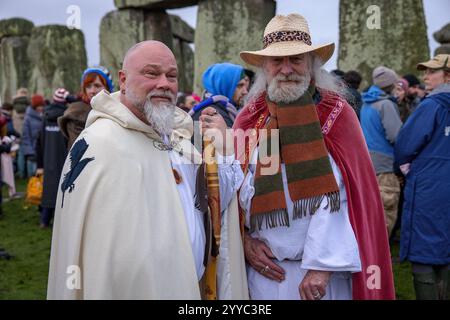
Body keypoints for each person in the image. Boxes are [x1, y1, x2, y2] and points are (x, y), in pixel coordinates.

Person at [47, 40, 248, 300]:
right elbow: (99, 252)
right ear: (123, 79)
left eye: (171, 76)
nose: (164, 83)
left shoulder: (177, 138)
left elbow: (212, 201)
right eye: (151, 73)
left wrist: (224, 151)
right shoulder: (100, 144)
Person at [233, 13, 394, 300]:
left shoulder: (337, 114)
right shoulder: (250, 118)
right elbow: (231, 191)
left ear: (311, 64)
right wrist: (243, 240)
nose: (286, 69)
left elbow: (346, 196)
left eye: (296, 59)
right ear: (264, 66)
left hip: (324, 277)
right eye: (277, 61)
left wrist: (322, 265)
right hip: (262, 273)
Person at [394, 54, 450, 300]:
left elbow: (405, 144)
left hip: (429, 186)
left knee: (424, 247)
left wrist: (405, 168)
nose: (426, 76)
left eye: (432, 72)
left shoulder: (431, 105)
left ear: (447, 76)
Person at [360, 66, 403, 236]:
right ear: (391, 84)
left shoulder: (366, 103)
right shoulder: (385, 104)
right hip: (385, 166)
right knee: (386, 213)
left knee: (372, 214)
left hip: (368, 164)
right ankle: (381, 259)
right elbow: (396, 136)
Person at [35, 89, 69, 229]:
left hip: (48, 161)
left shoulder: (45, 117)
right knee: (61, 192)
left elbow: (39, 141)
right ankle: (58, 223)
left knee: (48, 191)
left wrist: (40, 164)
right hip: (63, 161)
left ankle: (44, 220)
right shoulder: (67, 118)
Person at [58, 66, 114, 149]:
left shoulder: (116, 110)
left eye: (97, 86)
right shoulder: (76, 115)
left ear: (108, 88)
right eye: (88, 86)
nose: (92, 91)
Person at [190, 63, 249, 128]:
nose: (245, 92)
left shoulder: (225, 109)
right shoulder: (210, 114)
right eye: (240, 86)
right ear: (225, 86)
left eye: (245, 86)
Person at [21, 94, 45, 178]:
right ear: (34, 106)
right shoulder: (28, 118)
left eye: (42, 105)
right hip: (33, 150)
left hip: (43, 149)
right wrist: (30, 152)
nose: (40, 108)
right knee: (34, 177)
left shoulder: (45, 115)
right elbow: (26, 136)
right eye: (38, 106)